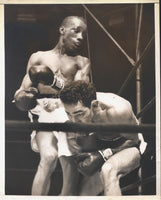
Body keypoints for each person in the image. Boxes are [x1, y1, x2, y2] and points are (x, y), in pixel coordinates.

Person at [13, 16, 90, 195]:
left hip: (67, 112)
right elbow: (21, 92)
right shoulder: (39, 57)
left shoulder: (82, 62)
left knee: (70, 164)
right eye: (76, 31)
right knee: (48, 157)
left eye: (83, 35)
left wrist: (55, 85)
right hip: (42, 113)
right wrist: (24, 97)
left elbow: (80, 95)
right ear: (62, 30)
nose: (80, 37)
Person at [60, 80, 147, 196]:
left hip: (129, 146)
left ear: (94, 105)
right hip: (100, 143)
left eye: (79, 114)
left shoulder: (117, 112)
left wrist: (104, 155)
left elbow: (134, 141)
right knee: (83, 195)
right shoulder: (73, 107)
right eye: (68, 114)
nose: (74, 120)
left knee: (108, 170)